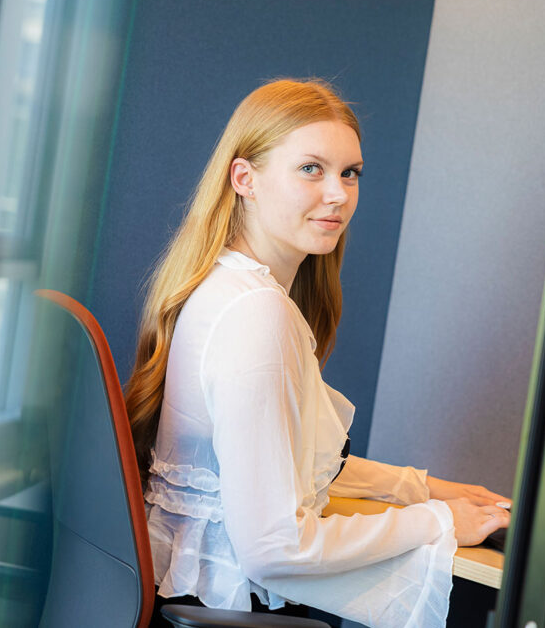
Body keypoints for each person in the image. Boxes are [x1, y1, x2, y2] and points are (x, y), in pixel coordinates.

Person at [124, 78, 510, 627]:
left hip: (187, 594)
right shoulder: (258, 313)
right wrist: (438, 520)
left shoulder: (222, 287)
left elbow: (266, 462)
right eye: (312, 169)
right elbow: (276, 550)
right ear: (245, 179)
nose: (339, 194)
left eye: (350, 173)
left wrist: (417, 488)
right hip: (232, 606)